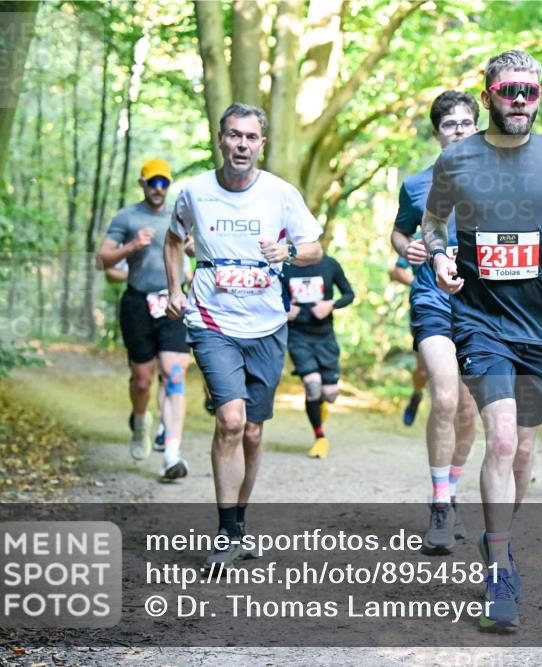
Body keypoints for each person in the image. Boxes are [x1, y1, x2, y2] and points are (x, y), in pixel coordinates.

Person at [425, 51, 542, 629]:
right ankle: (499, 571)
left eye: (529, 90)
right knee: (499, 441)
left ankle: (500, 538)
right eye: (508, 90)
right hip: (482, 323)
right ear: (489, 94)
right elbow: (431, 221)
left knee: (522, 450)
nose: (519, 99)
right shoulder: (457, 159)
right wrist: (444, 258)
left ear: (540, 95)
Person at [165, 102, 323, 566]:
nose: (241, 144)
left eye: (251, 137)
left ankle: (240, 522)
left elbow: (314, 248)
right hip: (213, 321)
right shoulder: (194, 192)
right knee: (230, 421)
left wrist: (289, 249)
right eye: (234, 135)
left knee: (253, 431)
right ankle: (225, 531)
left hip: (268, 324)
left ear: (261, 145)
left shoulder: (280, 193)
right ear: (220, 139)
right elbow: (174, 240)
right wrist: (176, 288)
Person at [391, 90, 481, 554]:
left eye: (467, 122)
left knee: (468, 410)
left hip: (481, 307)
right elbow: (400, 230)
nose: (460, 130)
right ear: (437, 132)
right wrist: (404, 248)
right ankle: (440, 505)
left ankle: (453, 487)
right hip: (431, 299)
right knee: (444, 396)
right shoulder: (416, 185)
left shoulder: (496, 181)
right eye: (451, 124)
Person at [97, 159, 191, 480]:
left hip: (173, 302)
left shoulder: (180, 215)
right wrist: (132, 246)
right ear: (143, 183)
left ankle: (172, 455)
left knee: (173, 372)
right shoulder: (127, 217)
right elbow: (103, 260)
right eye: (153, 182)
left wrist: (193, 249)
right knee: (142, 379)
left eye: (164, 183)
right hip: (138, 302)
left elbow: (196, 249)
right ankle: (140, 421)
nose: (158, 188)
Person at [281, 254, 355, 459]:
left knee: (329, 394)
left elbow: (349, 294)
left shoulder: (330, 265)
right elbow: (270, 297)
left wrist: (331, 305)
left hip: (325, 338)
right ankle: (320, 437)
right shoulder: (284, 266)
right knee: (312, 385)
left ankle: (319, 405)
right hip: (297, 337)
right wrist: (284, 309)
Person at [390, 255, 429, 426]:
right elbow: (397, 271)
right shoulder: (419, 238)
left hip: (460, 312)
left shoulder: (466, 233)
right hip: (425, 313)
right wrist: (421, 285)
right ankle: (417, 394)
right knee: (423, 371)